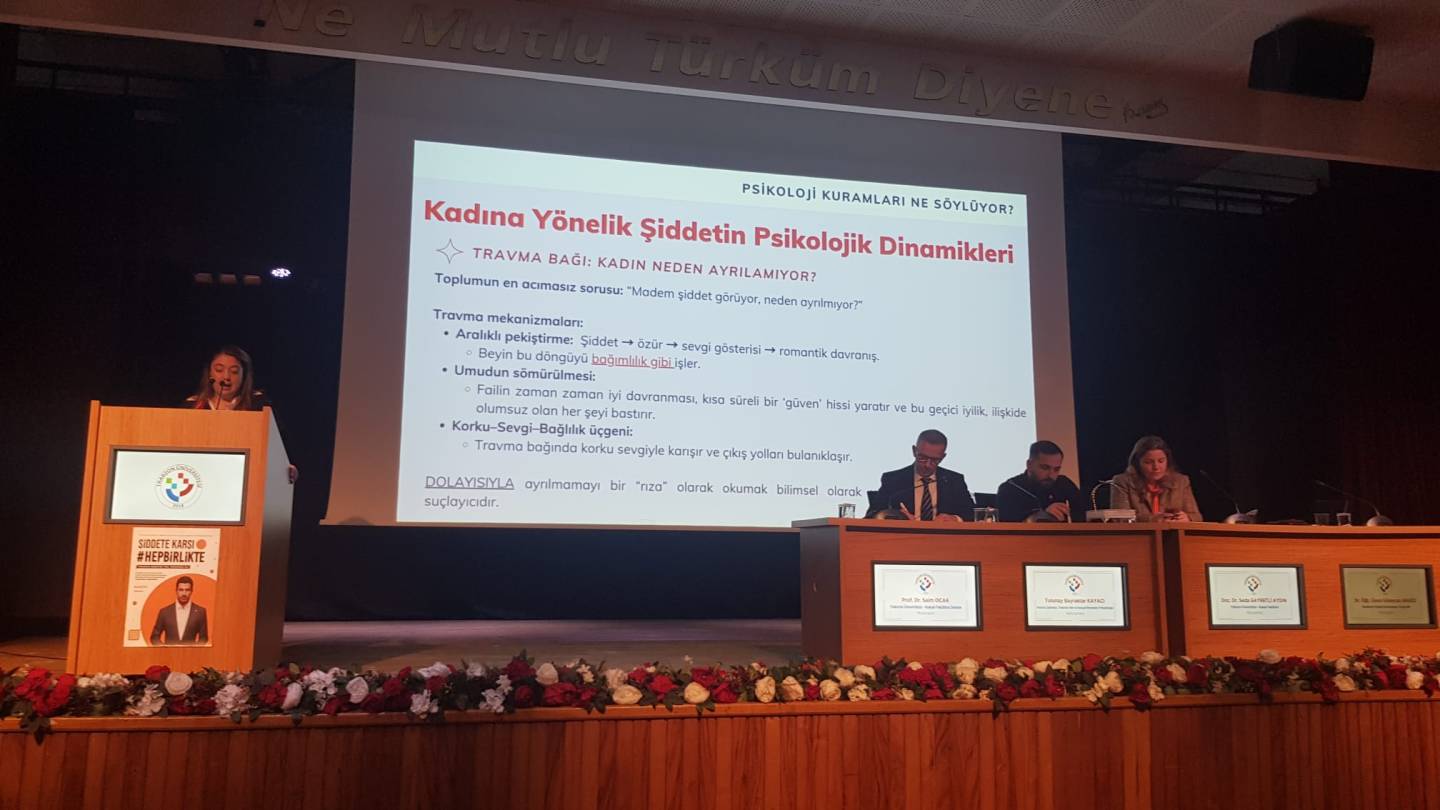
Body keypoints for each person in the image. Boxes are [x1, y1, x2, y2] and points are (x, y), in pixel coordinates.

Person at [184, 346, 296, 483]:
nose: (226, 377)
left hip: (247, 476)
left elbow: (279, 442)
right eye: (219, 370)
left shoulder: (258, 405)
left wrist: (286, 465)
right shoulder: (193, 406)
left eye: (234, 372)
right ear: (210, 374)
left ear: (244, 375)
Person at [869, 429, 975, 521]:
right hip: (905, 536)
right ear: (914, 451)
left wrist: (955, 519)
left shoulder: (954, 480)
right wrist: (897, 516)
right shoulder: (893, 479)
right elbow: (872, 514)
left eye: (934, 460)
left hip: (944, 536)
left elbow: (972, 514)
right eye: (922, 458)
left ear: (943, 457)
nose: (927, 465)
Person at [1109, 435, 1203, 522]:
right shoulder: (1122, 482)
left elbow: (1197, 516)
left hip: (1173, 533)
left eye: (1161, 461)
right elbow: (1119, 518)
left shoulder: (1181, 481)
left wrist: (1187, 518)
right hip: (1138, 534)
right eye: (1148, 462)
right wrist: (1151, 520)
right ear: (1137, 463)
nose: (1156, 467)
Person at [996, 440, 1086, 522]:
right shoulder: (1010, 489)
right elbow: (1007, 527)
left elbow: (1084, 517)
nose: (1051, 475)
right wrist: (1041, 516)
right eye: (1045, 468)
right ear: (1029, 465)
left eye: (1056, 469)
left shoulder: (1064, 484)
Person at [149, 576, 209, 646]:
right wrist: (163, 648)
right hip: (168, 652)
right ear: (176, 591)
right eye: (181, 590)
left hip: (191, 652)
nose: (184, 593)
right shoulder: (164, 612)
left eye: (187, 590)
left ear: (191, 591)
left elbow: (203, 638)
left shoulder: (200, 612)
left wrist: (194, 649)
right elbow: (154, 637)